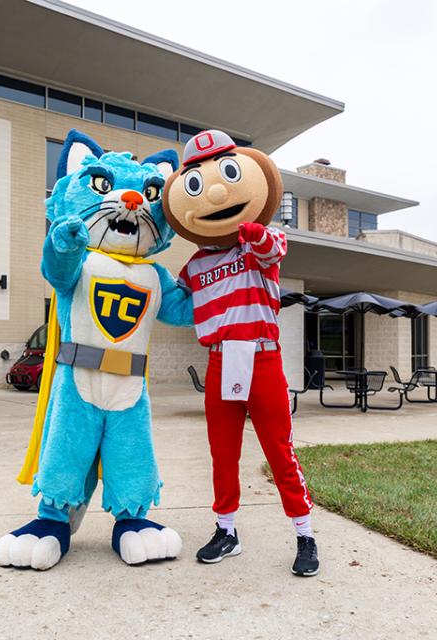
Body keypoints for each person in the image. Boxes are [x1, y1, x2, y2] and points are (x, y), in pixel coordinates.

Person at [161, 129, 318, 577]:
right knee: (222, 451)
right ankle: (226, 529)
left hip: (262, 358)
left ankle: (305, 535)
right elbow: (175, 307)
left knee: (279, 451)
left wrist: (250, 228)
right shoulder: (194, 264)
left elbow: (273, 249)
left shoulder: (261, 242)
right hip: (220, 360)